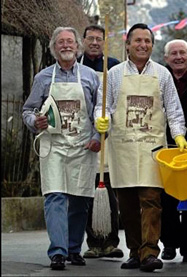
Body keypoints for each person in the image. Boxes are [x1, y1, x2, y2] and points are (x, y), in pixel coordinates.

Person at [94, 23, 187, 272]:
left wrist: (179, 136)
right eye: (137, 41)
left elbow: (174, 112)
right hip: (122, 148)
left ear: (152, 45)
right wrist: (100, 120)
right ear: (127, 44)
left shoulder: (162, 74)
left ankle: (149, 252)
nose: (142, 45)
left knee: (151, 200)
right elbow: (101, 106)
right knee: (127, 205)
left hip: (151, 149)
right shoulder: (112, 74)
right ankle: (134, 251)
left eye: (147, 41)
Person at [22, 27, 101, 270]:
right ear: (54, 48)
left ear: (78, 47)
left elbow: (99, 112)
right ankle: (58, 251)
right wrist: (36, 121)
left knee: (79, 199)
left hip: (82, 145)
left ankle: (74, 248)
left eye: (70, 42)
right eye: (61, 43)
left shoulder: (90, 77)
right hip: (53, 146)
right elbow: (28, 110)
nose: (66, 46)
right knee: (55, 196)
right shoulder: (43, 78)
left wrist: (98, 135)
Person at [78, 24, 123, 260]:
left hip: (111, 136)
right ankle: (93, 242)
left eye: (99, 39)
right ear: (83, 41)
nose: (95, 42)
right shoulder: (75, 66)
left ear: (104, 42)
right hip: (83, 137)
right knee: (88, 190)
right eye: (91, 38)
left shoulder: (114, 66)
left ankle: (111, 242)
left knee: (110, 191)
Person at [160, 39, 187, 263]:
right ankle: (168, 243)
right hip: (164, 144)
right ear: (166, 58)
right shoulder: (159, 76)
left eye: (182, 53)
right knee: (165, 198)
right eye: (173, 53)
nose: (178, 57)